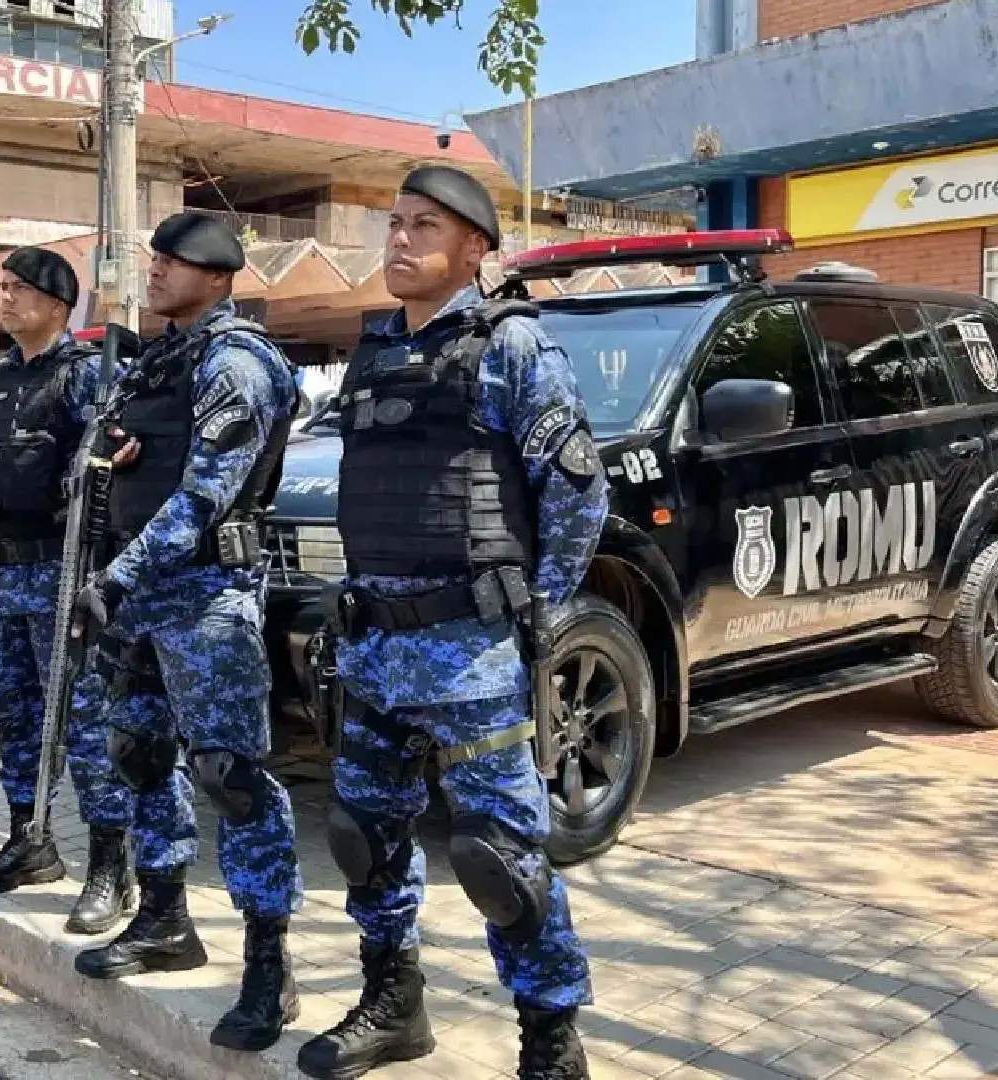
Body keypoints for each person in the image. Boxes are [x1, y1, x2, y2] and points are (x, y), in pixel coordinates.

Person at [297, 166, 606, 1080]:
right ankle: (393, 1005)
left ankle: (551, 1043)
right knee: (362, 839)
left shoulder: (513, 347)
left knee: (497, 859)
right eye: (393, 224)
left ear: (476, 248)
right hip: (374, 647)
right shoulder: (372, 352)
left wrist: (534, 612)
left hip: (470, 653)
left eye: (424, 226)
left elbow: (578, 494)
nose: (399, 240)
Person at [69, 213, 303, 1054]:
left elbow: (205, 496)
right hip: (139, 598)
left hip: (205, 598)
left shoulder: (236, 362)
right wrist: (112, 460)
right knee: (139, 753)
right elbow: (112, 460)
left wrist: (115, 579)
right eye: (156, 256)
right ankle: (166, 917)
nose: (157, 268)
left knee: (231, 777)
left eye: (175, 259)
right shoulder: (158, 360)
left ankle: (269, 967)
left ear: (219, 275)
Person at [0, 246, 140, 935]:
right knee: (16, 721)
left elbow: (115, 467)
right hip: (6, 579)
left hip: (65, 578)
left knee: (85, 727)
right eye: (1, 286)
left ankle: (110, 867)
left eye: (18, 289)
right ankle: (29, 842)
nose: (4, 298)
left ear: (57, 305)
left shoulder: (87, 377)